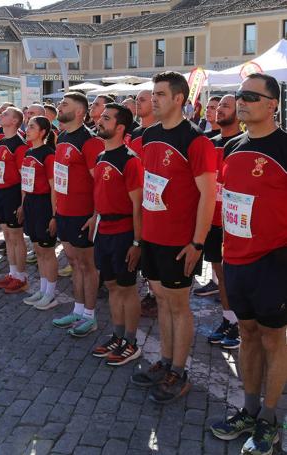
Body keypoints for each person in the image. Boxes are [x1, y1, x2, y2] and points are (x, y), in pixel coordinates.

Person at [209, 73, 287, 455]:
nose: (242, 101)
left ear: (272, 104)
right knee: (247, 335)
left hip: (274, 262)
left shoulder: (285, 148)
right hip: (236, 259)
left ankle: (271, 420)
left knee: (274, 338)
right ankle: (250, 409)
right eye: (240, 95)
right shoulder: (232, 147)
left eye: (251, 96)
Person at [131, 71, 217, 404]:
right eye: (153, 93)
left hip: (180, 241)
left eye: (161, 94)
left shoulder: (195, 140)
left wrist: (197, 243)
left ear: (179, 98)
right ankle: (165, 360)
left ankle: (179, 371)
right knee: (161, 300)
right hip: (152, 236)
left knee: (179, 307)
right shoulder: (148, 135)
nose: (154, 99)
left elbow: (208, 196)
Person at [90, 103, 144, 366]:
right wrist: (94, 218)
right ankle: (118, 334)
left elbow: (138, 205)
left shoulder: (130, 160)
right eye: (101, 117)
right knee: (111, 286)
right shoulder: (100, 158)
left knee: (127, 288)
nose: (100, 121)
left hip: (124, 233)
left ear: (120, 127)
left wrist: (136, 242)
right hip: (104, 230)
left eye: (106, 118)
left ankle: (131, 342)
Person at [50, 92, 104, 337]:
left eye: (65, 104)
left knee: (87, 266)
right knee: (73, 263)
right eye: (60, 103)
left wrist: (95, 215)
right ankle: (78, 308)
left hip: (83, 215)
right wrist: (55, 212)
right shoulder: (61, 137)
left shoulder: (90, 141)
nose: (60, 107)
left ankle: (90, 316)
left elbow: (100, 183)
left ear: (80, 112)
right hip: (64, 212)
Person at [199, 94, 243, 350]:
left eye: (226, 106)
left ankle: (243, 324)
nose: (219, 110)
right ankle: (229, 320)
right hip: (213, 221)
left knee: (237, 278)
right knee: (221, 275)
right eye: (217, 106)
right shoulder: (208, 142)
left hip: (238, 225)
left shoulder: (244, 144)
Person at [19, 116, 58, 309]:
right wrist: (22, 205)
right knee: (38, 250)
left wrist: (54, 215)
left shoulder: (48, 155)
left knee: (47, 251)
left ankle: (50, 293)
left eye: (32, 127)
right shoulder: (28, 152)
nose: (27, 129)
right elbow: (26, 183)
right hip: (31, 204)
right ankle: (43, 289)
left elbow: (54, 188)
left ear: (42, 132)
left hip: (44, 205)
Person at [0, 107, 29, 293]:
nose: (1, 115)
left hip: (13, 194)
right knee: (7, 234)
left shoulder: (19, 144)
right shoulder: (1, 142)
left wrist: (23, 204)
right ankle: (13, 272)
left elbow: (25, 177)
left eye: (6, 114)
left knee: (16, 236)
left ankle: (21, 276)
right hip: (1, 193)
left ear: (15, 121)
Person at [129, 89, 158, 317]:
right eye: (137, 99)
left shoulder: (160, 132)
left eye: (142, 100)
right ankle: (150, 291)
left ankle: (156, 295)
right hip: (135, 198)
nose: (138, 103)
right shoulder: (134, 132)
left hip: (155, 201)